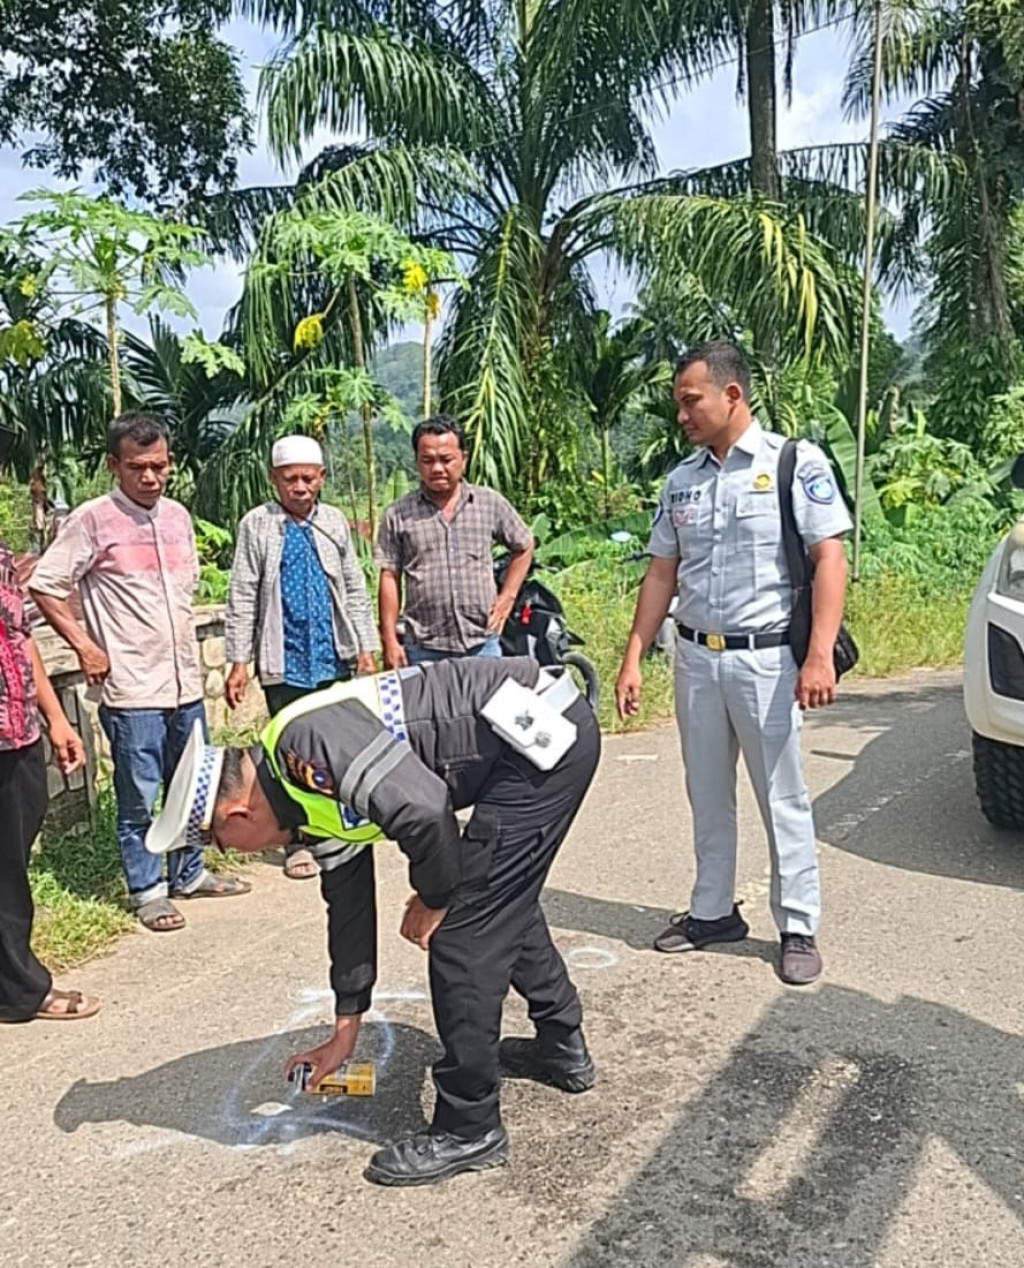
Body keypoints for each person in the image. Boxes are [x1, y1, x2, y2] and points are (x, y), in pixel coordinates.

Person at [145, 656, 600, 1186]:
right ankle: (560, 1046)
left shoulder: (304, 748)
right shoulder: (297, 791)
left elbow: (425, 809)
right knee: (496, 898)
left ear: (236, 816)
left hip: (541, 740)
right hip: (532, 739)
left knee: (463, 933)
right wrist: (346, 1030)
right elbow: (349, 905)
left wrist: (434, 899)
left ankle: (468, 1126)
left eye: (227, 846)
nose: (241, 853)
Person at [614, 341, 851, 987]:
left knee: (782, 795)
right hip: (695, 658)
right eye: (678, 403)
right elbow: (662, 572)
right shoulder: (681, 480)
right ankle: (713, 911)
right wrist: (635, 655)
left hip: (768, 662)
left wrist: (819, 656)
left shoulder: (792, 465)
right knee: (706, 793)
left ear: (731, 395)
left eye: (691, 400)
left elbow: (829, 557)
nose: (682, 414)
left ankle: (797, 924)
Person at [29, 412, 250, 932]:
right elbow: (45, 584)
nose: (150, 477)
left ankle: (189, 875)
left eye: (159, 466)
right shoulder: (92, 519)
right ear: (114, 465)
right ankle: (147, 889)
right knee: (140, 794)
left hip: (186, 684)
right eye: (137, 467)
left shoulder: (177, 516)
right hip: (132, 689)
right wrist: (84, 645)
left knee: (193, 785)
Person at [224, 434, 378, 880]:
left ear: (322, 478)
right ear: (274, 479)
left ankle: (342, 828)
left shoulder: (332, 522)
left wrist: (366, 650)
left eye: (309, 478)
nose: (300, 487)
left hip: (333, 659)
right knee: (289, 752)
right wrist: (239, 661)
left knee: (337, 747)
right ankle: (298, 840)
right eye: (290, 479)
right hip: (284, 659)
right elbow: (242, 595)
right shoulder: (258, 524)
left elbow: (353, 588)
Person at [0, 533, 98, 1022]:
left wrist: (56, 719)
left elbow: (18, 636)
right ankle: (21, 991)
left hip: (16, 730)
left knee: (11, 857)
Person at [375, 415, 533, 669]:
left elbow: (524, 545)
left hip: (482, 643)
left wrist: (508, 596)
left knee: (484, 709)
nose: (437, 468)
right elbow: (389, 577)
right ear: (417, 462)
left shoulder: (488, 503)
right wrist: (390, 641)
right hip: (423, 648)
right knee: (427, 710)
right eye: (428, 461)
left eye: (446, 460)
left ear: (463, 459)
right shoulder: (398, 514)